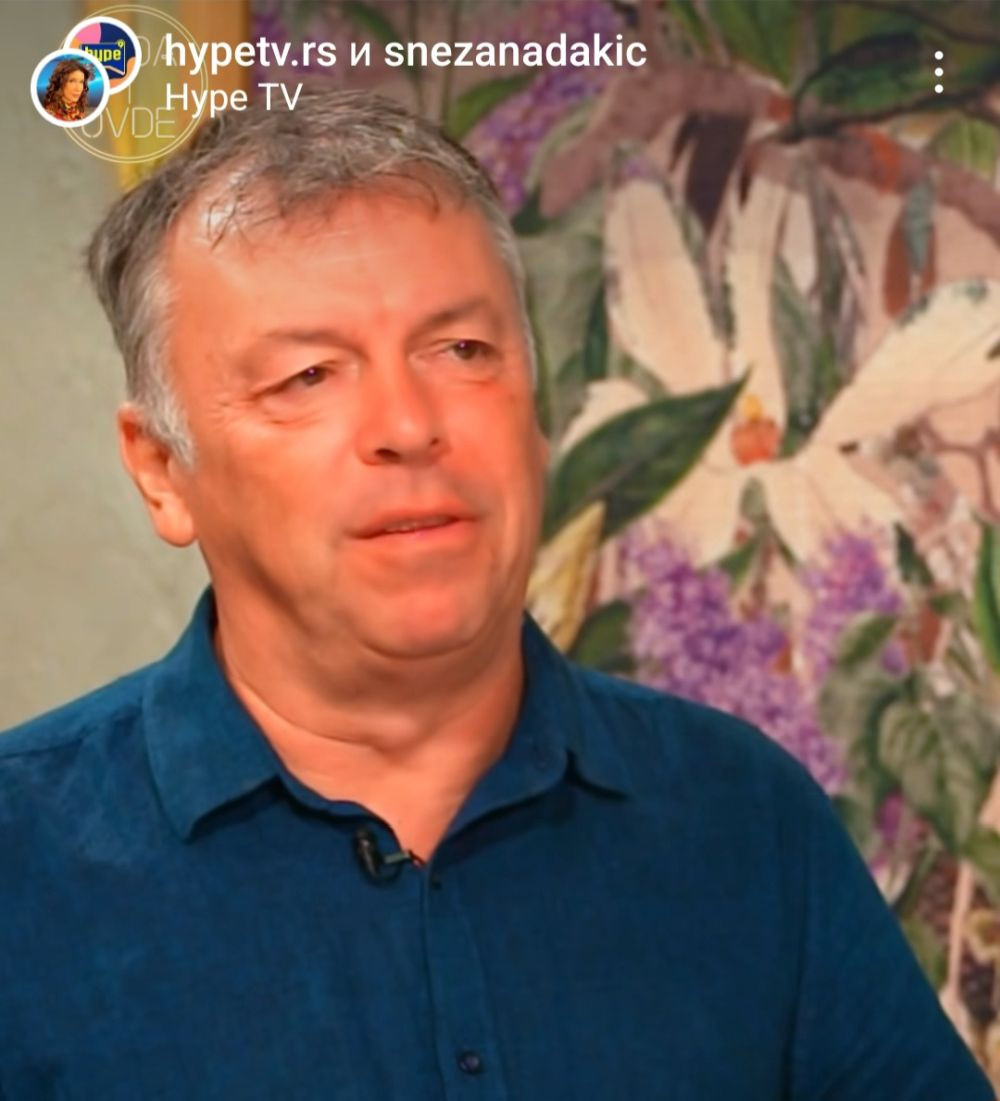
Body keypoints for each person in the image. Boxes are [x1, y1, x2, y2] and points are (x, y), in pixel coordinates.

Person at [0, 89, 992, 1100]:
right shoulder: (21, 862)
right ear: (162, 470)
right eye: (308, 376)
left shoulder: (743, 816)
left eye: (462, 352)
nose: (408, 425)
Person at [41, 58, 94, 122]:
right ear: (60, 83)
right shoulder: (50, 115)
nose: (78, 88)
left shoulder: (79, 111)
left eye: (81, 82)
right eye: (72, 81)